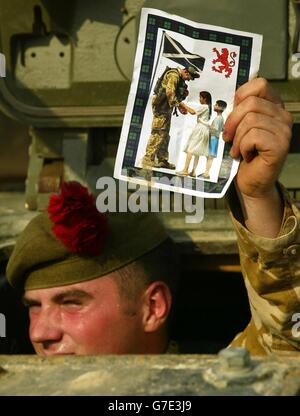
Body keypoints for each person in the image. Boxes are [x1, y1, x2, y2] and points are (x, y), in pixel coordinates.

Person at [6, 78, 299, 356]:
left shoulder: (208, 387)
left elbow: (288, 338)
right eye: (33, 307)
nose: (40, 333)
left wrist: (257, 196)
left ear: (153, 307)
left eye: (71, 303)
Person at [141, 66, 200, 170]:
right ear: (185, 71)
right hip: (161, 107)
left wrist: (179, 106)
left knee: (164, 133)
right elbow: (170, 93)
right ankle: (147, 159)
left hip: (166, 107)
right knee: (158, 133)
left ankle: (162, 160)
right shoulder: (173, 75)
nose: (188, 79)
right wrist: (185, 107)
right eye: (188, 76)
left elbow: (174, 96)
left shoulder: (179, 77)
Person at [177, 91, 212, 177]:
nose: (199, 99)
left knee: (191, 149)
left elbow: (192, 112)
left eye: (200, 97)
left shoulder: (204, 106)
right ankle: (193, 171)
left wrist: (183, 105)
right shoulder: (208, 107)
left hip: (200, 129)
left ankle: (185, 169)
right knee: (197, 151)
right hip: (204, 130)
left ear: (205, 99)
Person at [201, 99, 227, 179]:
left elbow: (215, 129)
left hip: (213, 139)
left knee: (210, 157)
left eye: (216, 105)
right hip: (214, 138)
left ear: (220, 107)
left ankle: (206, 173)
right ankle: (206, 172)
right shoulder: (220, 118)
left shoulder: (218, 118)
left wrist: (204, 123)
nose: (214, 106)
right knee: (209, 156)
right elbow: (222, 129)